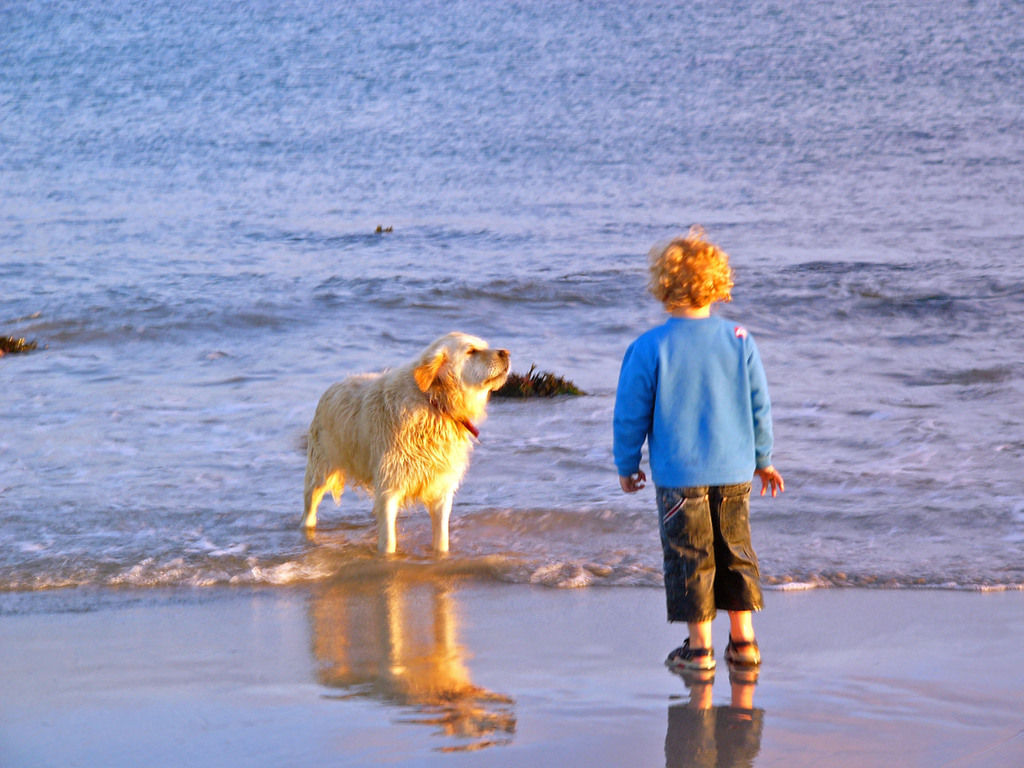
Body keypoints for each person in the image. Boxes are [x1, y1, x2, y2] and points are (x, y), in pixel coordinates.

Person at [614, 227, 784, 673]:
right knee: (735, 551)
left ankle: (700, 648)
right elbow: (759, 406)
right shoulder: (740, 339)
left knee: (691, 557)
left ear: (663, 287)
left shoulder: (649, 346)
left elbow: (630, 413)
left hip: (679, 476)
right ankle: (744, 642)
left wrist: (626, 463)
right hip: (734, 471)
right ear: (719, 285)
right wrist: (764, 460)